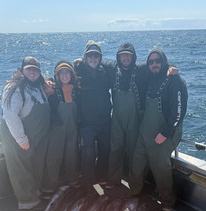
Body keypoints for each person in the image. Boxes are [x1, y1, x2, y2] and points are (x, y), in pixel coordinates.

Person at [129, 48, 188, 211]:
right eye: (151, 62)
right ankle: (134, 192)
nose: (154, 64)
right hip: (145, 131)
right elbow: (130, 66)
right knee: (136, 161)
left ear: (164, 62)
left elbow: (178, 112)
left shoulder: (176, 81)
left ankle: (167, 200)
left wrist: (165, 133)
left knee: (160, 165)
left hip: (165, 133)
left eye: (158, 61)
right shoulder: (150, 77)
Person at [1, 57, 50, 209]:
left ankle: (35, 194)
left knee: (34, 165)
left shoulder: (38, 86)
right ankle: (28, 202)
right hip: (19, 137)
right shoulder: (14, 87)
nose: (32, 72)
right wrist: (21, 139)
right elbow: (10, 115)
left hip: (35, 136)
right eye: (29, 69)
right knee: (21, 168)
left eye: (35, 69)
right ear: (22, 70)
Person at [103, 42, 148, 189]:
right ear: (118, 57)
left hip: (134, 119)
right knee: (115, 149)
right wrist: (80, 61)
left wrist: (170, 68)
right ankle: (113, 180)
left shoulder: (141, 69)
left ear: (133, 57)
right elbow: (97, 60)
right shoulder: (111, 67)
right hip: (116, 118)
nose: (125, 58)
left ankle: (135, 184)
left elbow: (159, 63)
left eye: (128, 55)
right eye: (123, 55)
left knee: (134, 152)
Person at [74, 41, 112, 188]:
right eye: (90, 55)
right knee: (87, 153)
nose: (93, 58)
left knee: (104, 150)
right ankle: (88, 181)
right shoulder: (77, 71)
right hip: (86, 122)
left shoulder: (105, 72)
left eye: (96, 56)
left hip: (104, 121)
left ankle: (102, 176)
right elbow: (62, 77)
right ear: (85, 57)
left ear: (100, 58)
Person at [42, 61, 80, 193]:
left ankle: (72, 179)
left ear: (71, 74)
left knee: (72, 154)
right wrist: (45, 82)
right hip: (57, 129)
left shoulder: (77, 90)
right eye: (61, 73)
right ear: (57, 76)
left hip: (73, 128)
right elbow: (38, 84)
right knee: (54, 156)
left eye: (67, 72)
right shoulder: (51, 90)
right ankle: (49, 185)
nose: (64, 75)